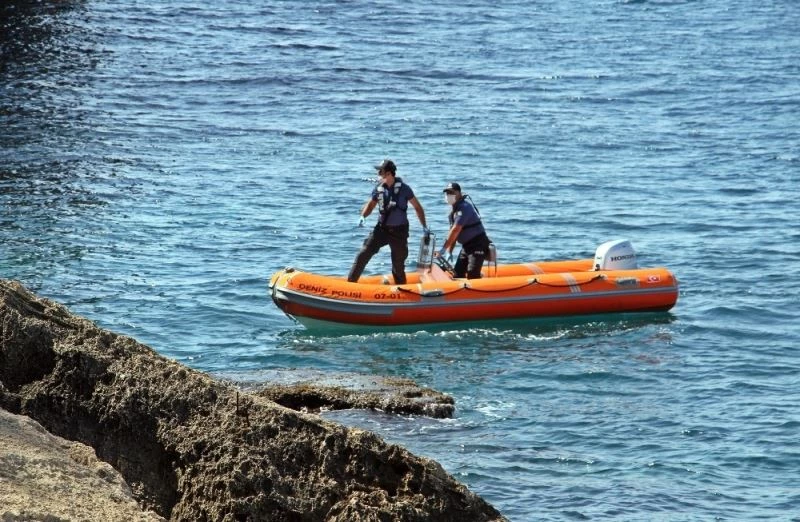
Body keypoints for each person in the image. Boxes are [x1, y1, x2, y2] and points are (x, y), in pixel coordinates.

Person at [347, 159, 428, 284]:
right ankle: (350, 284)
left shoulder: (405, 189)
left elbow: (418, 207)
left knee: (398, 265)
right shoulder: (378, 189)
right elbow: (370, 205)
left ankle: (402, 292)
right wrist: (363, 216)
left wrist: (424, 226)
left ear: (389, 174)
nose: (378, 174)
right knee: (363, 254)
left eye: (381, 172)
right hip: (381, 229)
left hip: (399, 232)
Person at [436, 182, 492, 279]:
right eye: (447, 193)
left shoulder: (464, 207)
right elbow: (453, 234)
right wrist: (449, 251)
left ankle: (482, 286)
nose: (449, 195)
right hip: (466, 247)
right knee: (458, 274)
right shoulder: (453, 213)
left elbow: (456, 230)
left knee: (472, 274)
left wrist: (443, 249)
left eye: (451, 193)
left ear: (459, 193)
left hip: (477, 244)